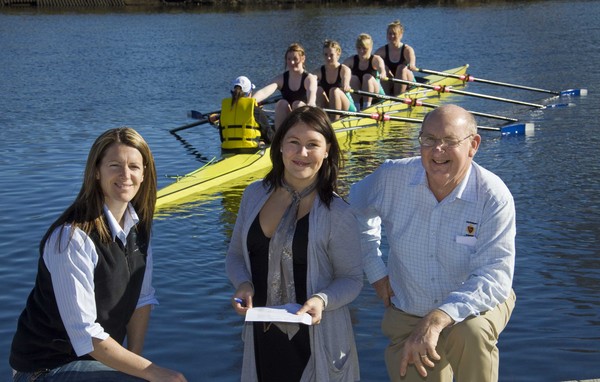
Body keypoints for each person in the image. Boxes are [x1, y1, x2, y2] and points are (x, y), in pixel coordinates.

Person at [350, 104, 516, 382]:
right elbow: (353, 209)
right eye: (428, 140)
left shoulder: (493, 196)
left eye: (450, 141)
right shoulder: (391, 177)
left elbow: (495, 276)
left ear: (473, 145)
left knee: (470, 334)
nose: (437, 151)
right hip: (410, 306)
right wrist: (374, 268)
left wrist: (439, 317)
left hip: (475, 305)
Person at [9, 127, 187, 382]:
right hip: (45, 368)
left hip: (92, 365)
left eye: (134, 167)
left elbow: (142, 299)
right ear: (96, 172)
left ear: (144, 174)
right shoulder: (71, 238)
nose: (126, 175)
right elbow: (87, 335)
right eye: (115, 165)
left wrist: (135, 365)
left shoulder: (139, 230)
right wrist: (151, 372)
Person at [225, 106, 363, 382]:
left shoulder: (338, 213)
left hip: (317, 338)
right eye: (294, 143)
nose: (302, 154)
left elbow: (351, 279)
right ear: (280, 147)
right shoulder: (254, 195)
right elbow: (236, 256)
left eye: (313, 145)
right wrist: (243, 283)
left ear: (326, 151)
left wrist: (321, 300)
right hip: (262, 336)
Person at [253, 43, 318, 131]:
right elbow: (264, 91)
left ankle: (300, 136)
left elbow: (312, 94)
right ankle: (279, 138)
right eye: (289, 59)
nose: (291, 62)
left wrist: (310, 103)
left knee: (297, 104)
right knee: (281, 103)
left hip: (306, 117)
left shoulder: (309, 79)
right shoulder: (281, 79)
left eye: (295, 59)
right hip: (288, 117)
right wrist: (252, 100)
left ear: (303, 59)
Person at [210, 76, 274, 152]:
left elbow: (222, 137)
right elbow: (269, 137)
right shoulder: (255, 110)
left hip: (227, 150)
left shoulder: (225, 109)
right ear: (250, 92)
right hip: (252, 150)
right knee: (274, 128)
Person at [314, 39, 356, 120]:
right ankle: (322, 120)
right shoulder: (319, 71)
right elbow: (309, 79)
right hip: (330, 106)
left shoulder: (344, 69)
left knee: (334, 90)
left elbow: (346, 80)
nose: (328, 58)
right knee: (318, 89)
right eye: (325, 55)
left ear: (338, 54)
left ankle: (334, 122)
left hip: (347, 108)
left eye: (331, 55)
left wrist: (346, 85)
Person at [343, 33, 386, 111]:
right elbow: (340, 69)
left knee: (367, 77)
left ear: (370, 48)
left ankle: (366, 108)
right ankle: (357, 108)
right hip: (359, 93)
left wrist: (382, 74)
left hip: (377, 95)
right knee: (353, 78)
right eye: (359, 48)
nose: (361, 51)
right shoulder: (351, 60)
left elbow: (382, 70)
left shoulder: (376, 59)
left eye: (364, 48)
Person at [375, 20, 417, 95]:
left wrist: (412, 64)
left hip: (408, 81)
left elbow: (412, 61)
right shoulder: (381, 51)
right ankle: (386, 98)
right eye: (389, 34)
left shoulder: (407, 50)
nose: (391, 36)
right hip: (391, 81)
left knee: (401, 68)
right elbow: (371, 63)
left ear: (401, 35)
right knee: (384, 68)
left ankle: (398, 97)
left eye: (394, 34)